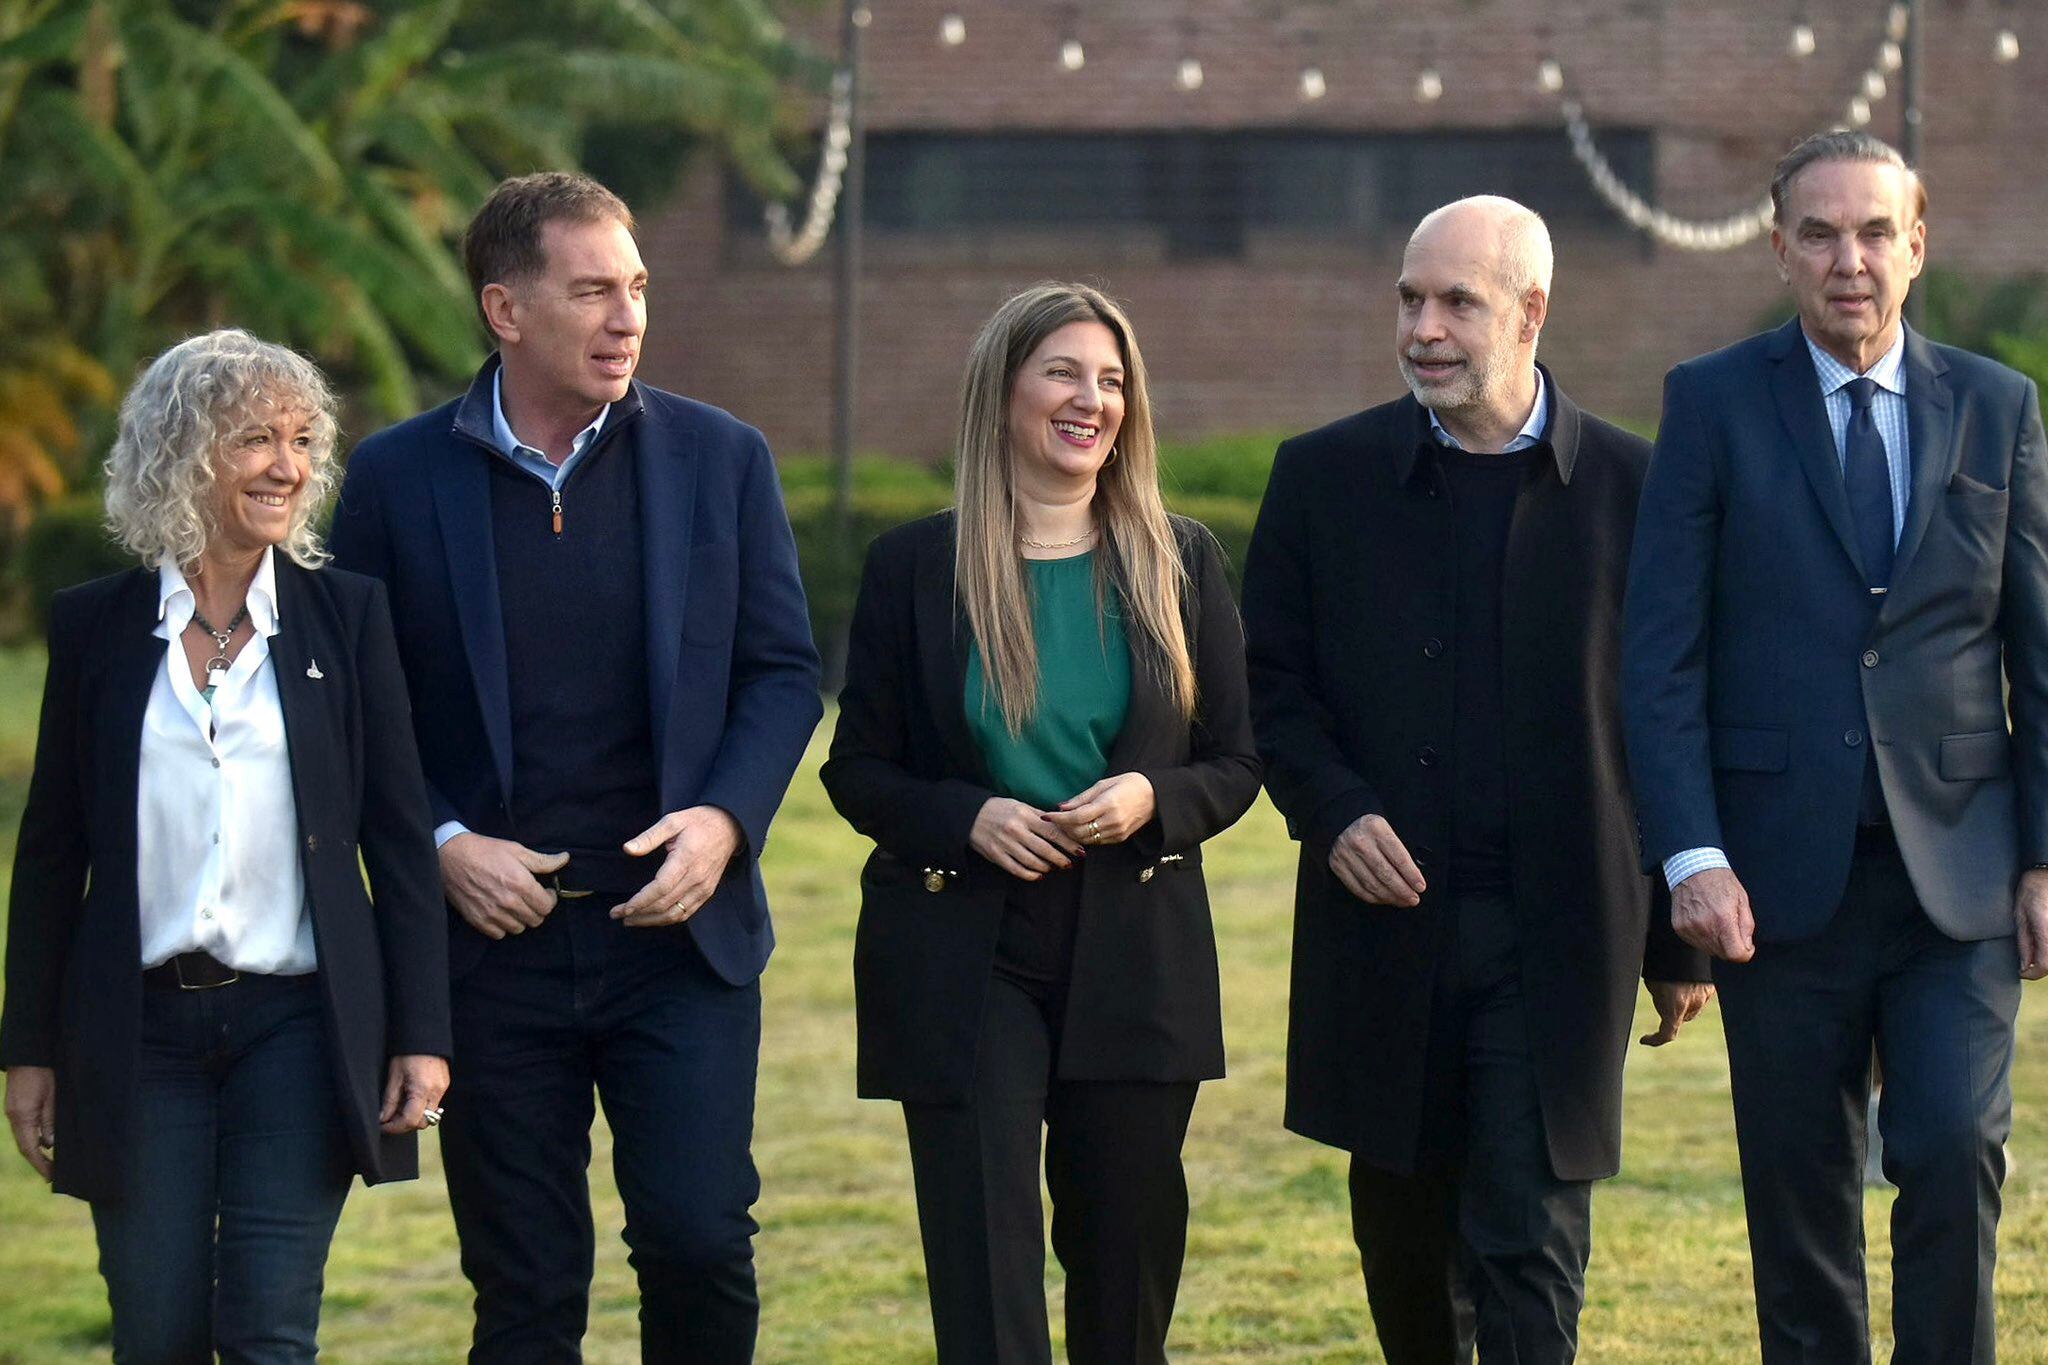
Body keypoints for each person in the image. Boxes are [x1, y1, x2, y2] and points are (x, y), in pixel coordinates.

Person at [328, 171, 820, 1362]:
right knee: (526, 1286)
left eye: (637, 288)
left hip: (679, 942)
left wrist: (724, 823)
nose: (627, 318)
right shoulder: (395, 482)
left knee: (701, 1245)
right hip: (492, 961)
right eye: (592, 290)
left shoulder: (723, 458)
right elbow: (351, 709)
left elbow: (781, 673)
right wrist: (442, 846)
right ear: (505, 310)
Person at [1240, 197, 1711, 1364]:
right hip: (1382, 931)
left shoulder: (1633, 489)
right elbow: (1264, 687)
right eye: (1409, 298)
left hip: (1562, 934)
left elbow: (1670, 713)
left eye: (1457, 301)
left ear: (1531, 313)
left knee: (1527, 1240)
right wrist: (1332, 808)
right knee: (1400, 1245)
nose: (1424, 328)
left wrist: (1676, 940)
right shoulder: (1320, 478)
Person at [1623, 130, 2048, 1363]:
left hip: (1956, 875)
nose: (1845, 259)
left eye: (1872, 232)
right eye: (1816, 233)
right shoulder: (1708, 403)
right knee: (1798, 1188)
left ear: (1916, 246)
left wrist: (2042, 855)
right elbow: (1658, 658)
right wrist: (1689, 855)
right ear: (1777, 250)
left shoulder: (1995, 405)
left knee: (1950, 1147)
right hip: (1772, 880)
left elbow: (2037, 653)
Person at [821, 282, 1261, 1364]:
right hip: (967, 947)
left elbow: (1239, 762)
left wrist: (1153, 798)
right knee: (985, 1263)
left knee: (1125, 1262)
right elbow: (858, 770)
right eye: (1063, 371)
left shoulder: (1180, 559)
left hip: (1133, 948)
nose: (1092, 399)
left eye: (1111, 380)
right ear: (1003, 390)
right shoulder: (914, 569)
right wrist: (964, 817)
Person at [0, 329, 451, 1363]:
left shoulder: (347, 619)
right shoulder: (96, 630)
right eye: (255, 439)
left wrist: (422, 1034)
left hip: (297, 1030)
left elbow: (397, 835)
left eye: (302, 439)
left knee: (269, 1332)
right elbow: (51, 856)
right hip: (137, 1030)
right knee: (154, 1334)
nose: (288, 467)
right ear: (180, 455)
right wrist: (28, 1048)